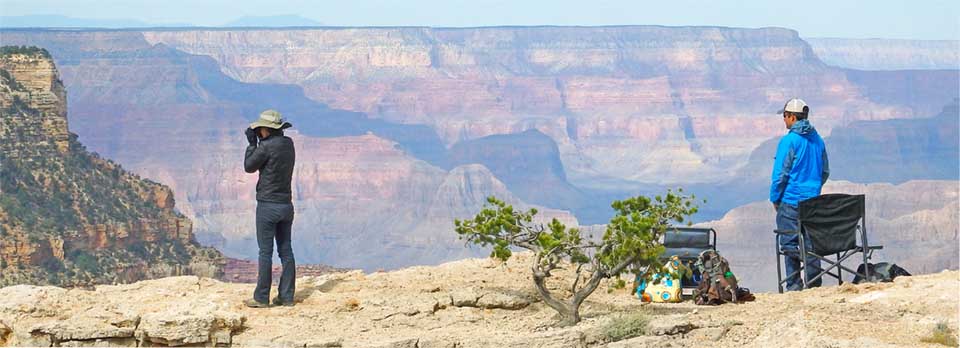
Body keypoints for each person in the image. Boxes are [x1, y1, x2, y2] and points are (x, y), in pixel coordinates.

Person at [771, 98, 829, 291]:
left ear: (792, 117)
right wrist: (813, 188)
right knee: (811, 244)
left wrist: (775, 198)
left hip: (791, 201)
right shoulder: (817, 140)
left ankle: (794, 286)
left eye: (785, 116)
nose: (784, 120)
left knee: (789, 244)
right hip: (813, 201)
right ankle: (814, 285)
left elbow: (781, 174)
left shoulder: (789, 141)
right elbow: (825, 171)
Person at [243, 109, 297, 307]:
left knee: (265, 252)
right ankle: (287, 296)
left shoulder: (264, 147)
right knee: (286, 250)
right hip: (286, 205)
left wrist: (251, 145)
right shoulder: (289, 144)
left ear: (266, 129)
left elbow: (249, 167)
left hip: (268, 205)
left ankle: (261, 298)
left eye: (260, 130)